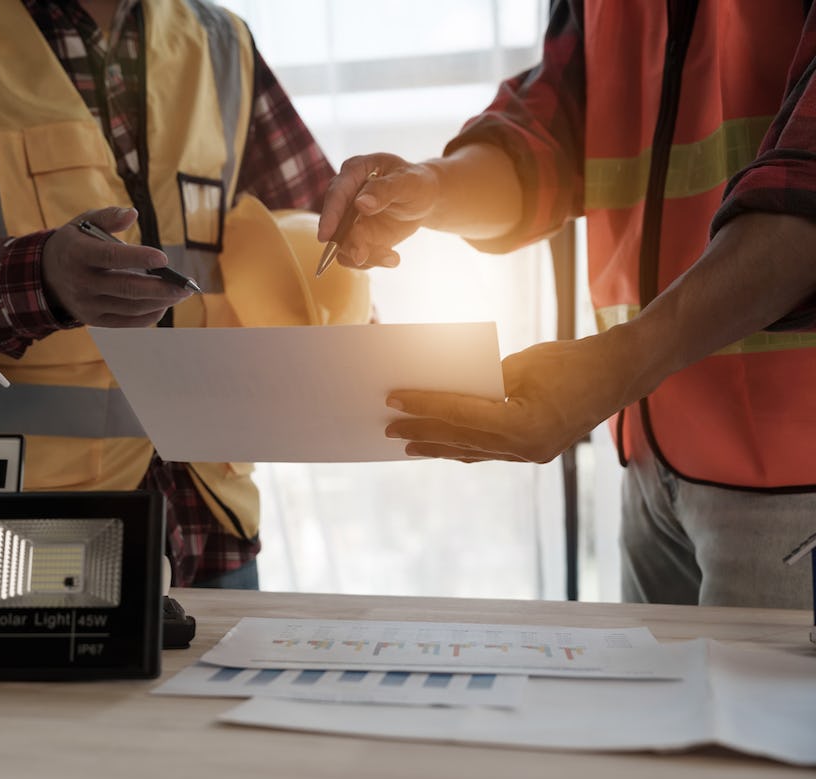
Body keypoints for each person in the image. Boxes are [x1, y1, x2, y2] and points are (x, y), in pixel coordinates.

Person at [0, 0, 369, 589]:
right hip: (16, 530)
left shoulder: (221, 41)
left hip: (209, 527)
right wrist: (40, 280)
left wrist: (361, 242)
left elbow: (318, 239)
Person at [318, 0, 816, 609]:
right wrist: (434, 187)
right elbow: (551, 133)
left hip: (794, 480)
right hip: (652, 458)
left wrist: (612, 369)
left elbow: (807, 208)